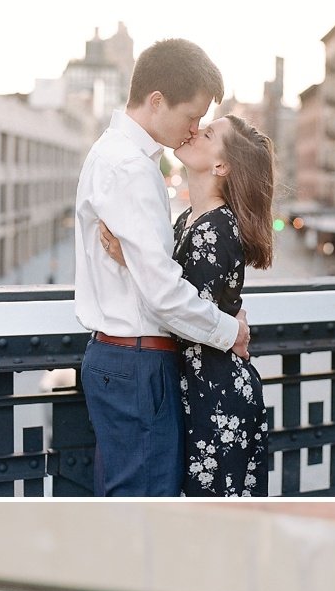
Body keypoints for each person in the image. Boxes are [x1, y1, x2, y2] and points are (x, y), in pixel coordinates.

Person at [73, 38, 252, 496]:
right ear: (157, 102)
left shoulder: (112, 155)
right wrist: (230, 331)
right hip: (137, 361)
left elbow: (150, 274)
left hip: (123, 359)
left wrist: (130, 260)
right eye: (191, 115)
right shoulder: (131, 168)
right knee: (145, 508)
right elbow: (163, 292)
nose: (193, 128)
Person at [100, 114, 275, 496]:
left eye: (208, 133)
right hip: (197, 388)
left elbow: (178, 309)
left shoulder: (218, 227)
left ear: (221, 165)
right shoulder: (187, 220)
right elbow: (177, 294)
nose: (195, 131)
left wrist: (130, 260)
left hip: (217, 398)